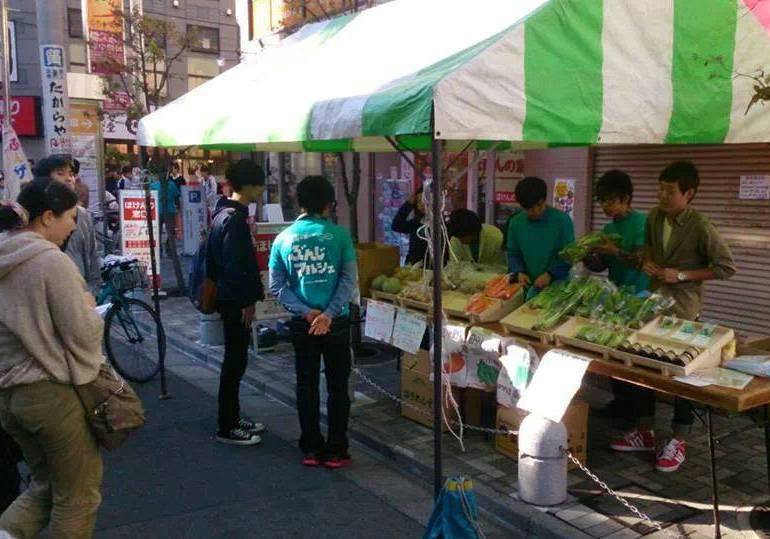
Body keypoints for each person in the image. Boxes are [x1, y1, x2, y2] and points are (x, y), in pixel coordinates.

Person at [610, 161, 736, 473]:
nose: (662, 196)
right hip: (653, 305)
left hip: (684, 310)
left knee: (682, 374)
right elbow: (650, 253)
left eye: (669, 191)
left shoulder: (701, 226)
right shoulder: (654, 217)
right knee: (643, 365)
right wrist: (648, 264)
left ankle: (679, 438)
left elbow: (726, 268)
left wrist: (679, 275)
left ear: (689, 193)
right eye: (660, 189)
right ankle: (645, 431)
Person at [0, 178, 105, 538]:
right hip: (49, 394)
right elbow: (80, 331)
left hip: (9, 396)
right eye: (70, 217)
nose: (74, 226)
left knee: (45, 486)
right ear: (47, 217)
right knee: (77, 496)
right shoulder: (49, 262)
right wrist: (91, 311)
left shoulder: (5, 252)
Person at [269, 175, 357, 469]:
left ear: (299, 202)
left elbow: (278, 286)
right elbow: (348, 280)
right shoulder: (341, 236)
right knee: (337, 387)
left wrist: (307, 313)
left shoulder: (283, 238)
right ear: (329, 204)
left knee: (306, 385)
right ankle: (336, 449)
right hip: (336, 323)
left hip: (302, 324)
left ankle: (310, 447)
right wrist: (328, 314)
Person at [208, 159, 266, 445]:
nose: (262, 190)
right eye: (259, 184)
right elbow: (235, 265)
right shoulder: (233, 219)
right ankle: (227, 426)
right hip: (234, 300)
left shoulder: (223, 213)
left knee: (235, 361)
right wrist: (247, 301)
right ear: (249, 185)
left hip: (228, 297)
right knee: (235, 362)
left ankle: (232, 417)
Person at [35, 156, 101, 290]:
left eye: (71, 174)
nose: (69, 178)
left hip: (79, 289)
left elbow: (92, 254)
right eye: (60, 173)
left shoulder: (82, 214)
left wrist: (93, 288)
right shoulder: (34, 215)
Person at [506, 176, 574, 299]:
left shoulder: (562, 221)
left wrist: (551, 274)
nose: (535, 211)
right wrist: (518, 272)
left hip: (557, 288)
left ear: (544, 199)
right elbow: (513, 253)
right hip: (526, 287)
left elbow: (569, 256)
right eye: (529, 208)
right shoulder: (516, 223)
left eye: (539, 205)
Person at [592, 169, 649, 293]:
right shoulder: (608, 229)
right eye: (602, 201)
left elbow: (639, 261)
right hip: (616, 295)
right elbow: (600, 266)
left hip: (639, 295)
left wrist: (614, 251)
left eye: (610, 200)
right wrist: (584, 254)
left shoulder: (641, 222)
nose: (605, 205)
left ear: (626, 198)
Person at [391, 186, 428, 265]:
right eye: (418, 201)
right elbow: (396, 226)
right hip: (413, 269)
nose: (422, 204)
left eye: (425, 200)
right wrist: (408, 204)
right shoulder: (416, 222)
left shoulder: (443, 224)